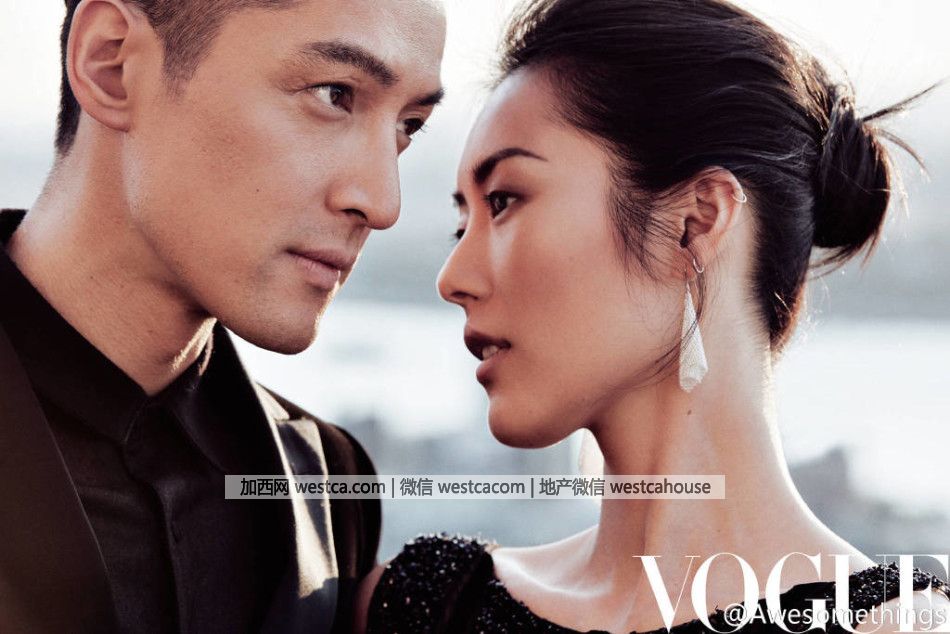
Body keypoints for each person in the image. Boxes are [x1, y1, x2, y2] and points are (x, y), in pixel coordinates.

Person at [356, 0, 950, 632]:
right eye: (461, 225)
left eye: (504, 201)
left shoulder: (898, 625)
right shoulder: (424, 603)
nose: (452, 279)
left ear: (694, 223)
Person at [0, 0, 444, 632]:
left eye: (409, 125)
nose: (382, 202)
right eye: (334, 94)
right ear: (112, 65)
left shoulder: (331, 487)